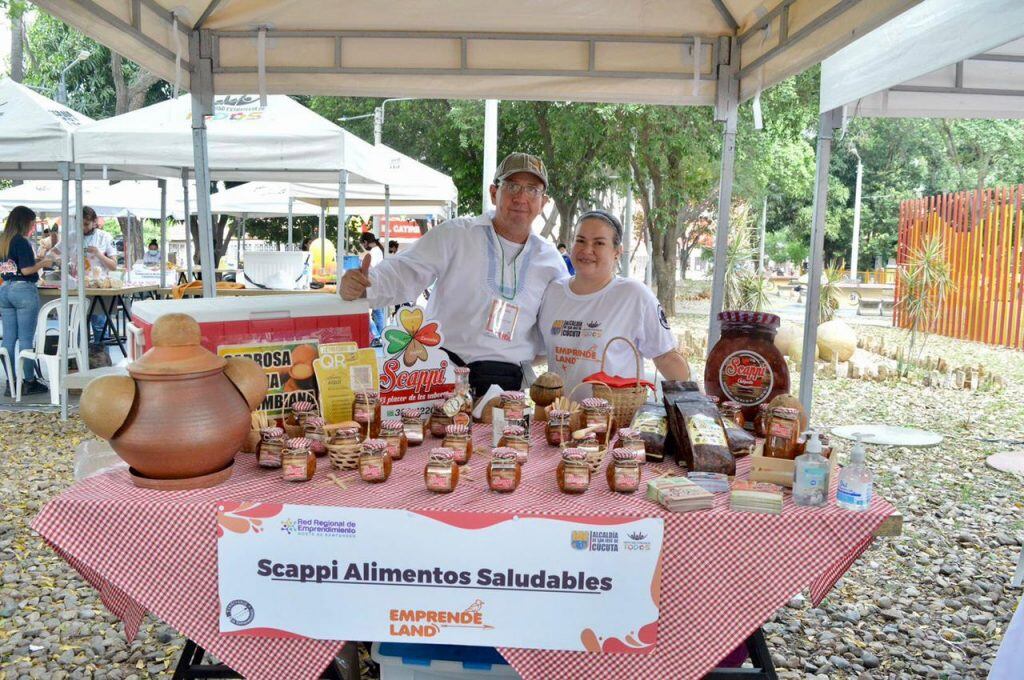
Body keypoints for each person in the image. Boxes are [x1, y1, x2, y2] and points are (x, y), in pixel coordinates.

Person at [341, 152, 567, 396]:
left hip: (507, 390)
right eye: (512, 186)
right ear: (494, 193)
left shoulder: (550, 260)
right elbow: (405, 271)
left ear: (543, 202)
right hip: (442, 378)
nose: (521, 197)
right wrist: (366, 285)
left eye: (532, 189)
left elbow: (558, 328)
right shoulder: (456, 235)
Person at [538, 209, 690, 397]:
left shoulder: (634, 295)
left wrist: (693, 406)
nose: (587, 250)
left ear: (617, 252)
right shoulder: (553, 292)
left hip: (617, 421)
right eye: (580, 240)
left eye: (599, 243)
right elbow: (538, 350)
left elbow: (666, 357)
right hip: (562, 421)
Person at [0, 206, 54, 396]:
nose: (32, 227)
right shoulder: (21, 241)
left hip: (5, 289)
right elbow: (26, 270)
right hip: (23, 290)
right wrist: (43, 263)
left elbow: (12, 267)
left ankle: (11, 383)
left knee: (7, 339)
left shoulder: (3, 240)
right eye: (31, 223)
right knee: (25, 339)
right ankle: (29, 381)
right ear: (24, 222)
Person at [51, 207, 117, 349]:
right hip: (75, 286)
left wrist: (99, 254)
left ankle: (101, 359)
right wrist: (59, 260)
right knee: (76, 324)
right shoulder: (71, 236)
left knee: (99, 324)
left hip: (98, 287)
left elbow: (113, 266)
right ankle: (77, 358)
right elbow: (53, 252)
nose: (83, 228)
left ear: (95, 222)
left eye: (86, 224)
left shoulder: (104, 237)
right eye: (80, 224)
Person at [358, 231, 386, 346]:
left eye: (363, 244)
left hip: (374, 285)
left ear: (365, 242)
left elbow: (371, 267)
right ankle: (380, 337)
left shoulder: (374, 252)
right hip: (378, 284)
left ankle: (377, 336)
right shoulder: (378, 250)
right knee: (377, 312)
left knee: (369, 312)